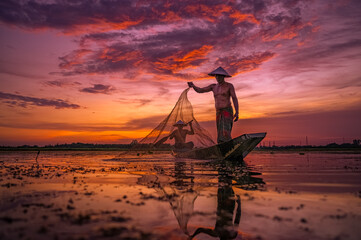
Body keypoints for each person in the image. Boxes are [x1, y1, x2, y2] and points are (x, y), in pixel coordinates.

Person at [188, 67, 239, 143]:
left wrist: (237, 112)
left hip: (227, 110)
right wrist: (193, 86)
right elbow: (201, 90)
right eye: (217, 76)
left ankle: (228, 145)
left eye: (220, 76)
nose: (218, 77)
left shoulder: (229, 86)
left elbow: (234, 98)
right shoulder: (213, 86)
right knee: (220, 131)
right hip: (218, 111)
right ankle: (221, 146)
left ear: (223, 76)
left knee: (226, 130)